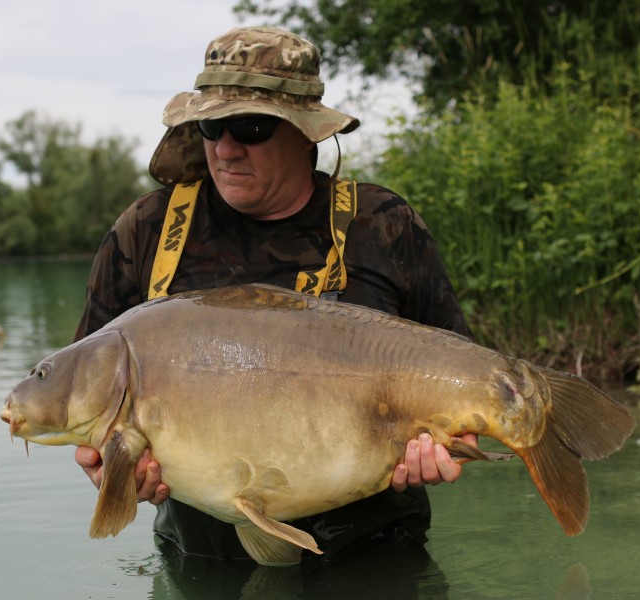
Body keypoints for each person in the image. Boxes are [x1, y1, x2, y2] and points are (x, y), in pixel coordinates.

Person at [73, 25, 476, 561]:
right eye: (212, 126)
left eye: (252, 127)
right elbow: (90, 403)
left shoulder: (382, 224)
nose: (227, 148)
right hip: (202, 561)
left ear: (305, 131)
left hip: (375, 556)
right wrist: (114, 473)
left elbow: (462, 385)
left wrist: (450, 449)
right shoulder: (147, 231)